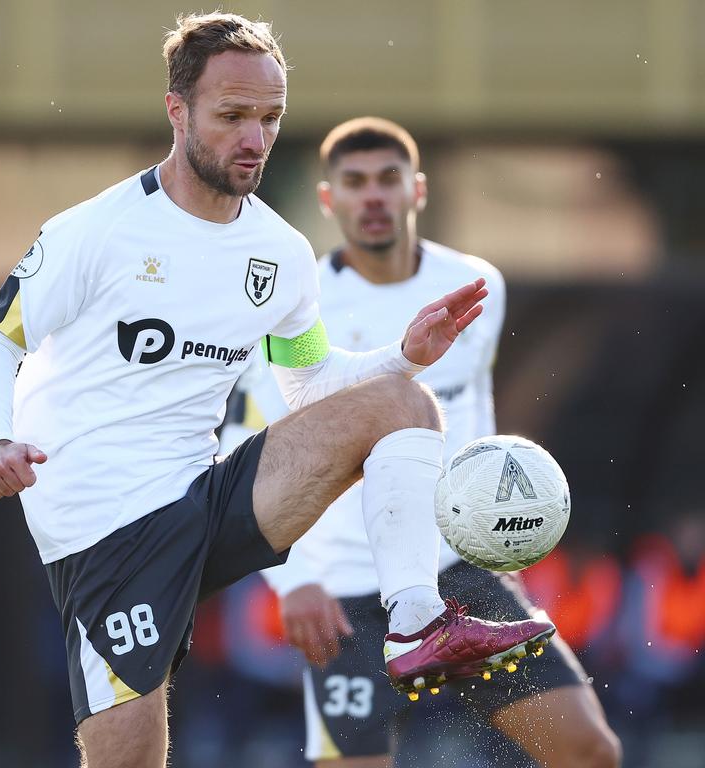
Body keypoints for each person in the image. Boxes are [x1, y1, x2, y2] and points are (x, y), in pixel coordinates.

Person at [0, 14, 553, 768]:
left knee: (403, 404)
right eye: (232, 116)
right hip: (105, 529)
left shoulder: (278, 252)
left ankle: (417, 618)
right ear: (178, 112)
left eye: (269, 119)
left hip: (203, 499)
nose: (254, 138)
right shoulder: (96, 232)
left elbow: (309, 384)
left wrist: (402, 355)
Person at [231, 117, 621, 767]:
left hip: (458, 576)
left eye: (387, 180)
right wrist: (293, 580)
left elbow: (477, 413)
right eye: (354, 183)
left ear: (418, 191)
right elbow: (256, 441)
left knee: (588, 753)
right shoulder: (295, 304)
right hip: (342, 593)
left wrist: (499, 537)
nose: (372, 197)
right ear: (330, 200)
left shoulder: (476, 286)